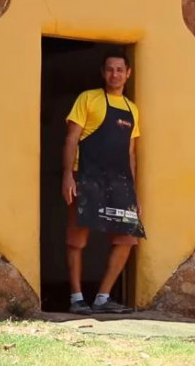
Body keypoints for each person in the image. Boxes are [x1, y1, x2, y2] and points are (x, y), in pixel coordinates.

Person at [62, 48, 147, 315]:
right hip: (86, 177)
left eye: (120, 69)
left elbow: (131, 154)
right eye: (110, 69)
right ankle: (76, 298)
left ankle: (102, 298)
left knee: (127, 239)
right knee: (77, 238)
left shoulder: (133, 109)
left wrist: (133, 193)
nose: (115, 74)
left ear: (128, 73)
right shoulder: (88, 99)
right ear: (103, 72)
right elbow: (72, 138)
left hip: (119, 181)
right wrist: (67, 175)